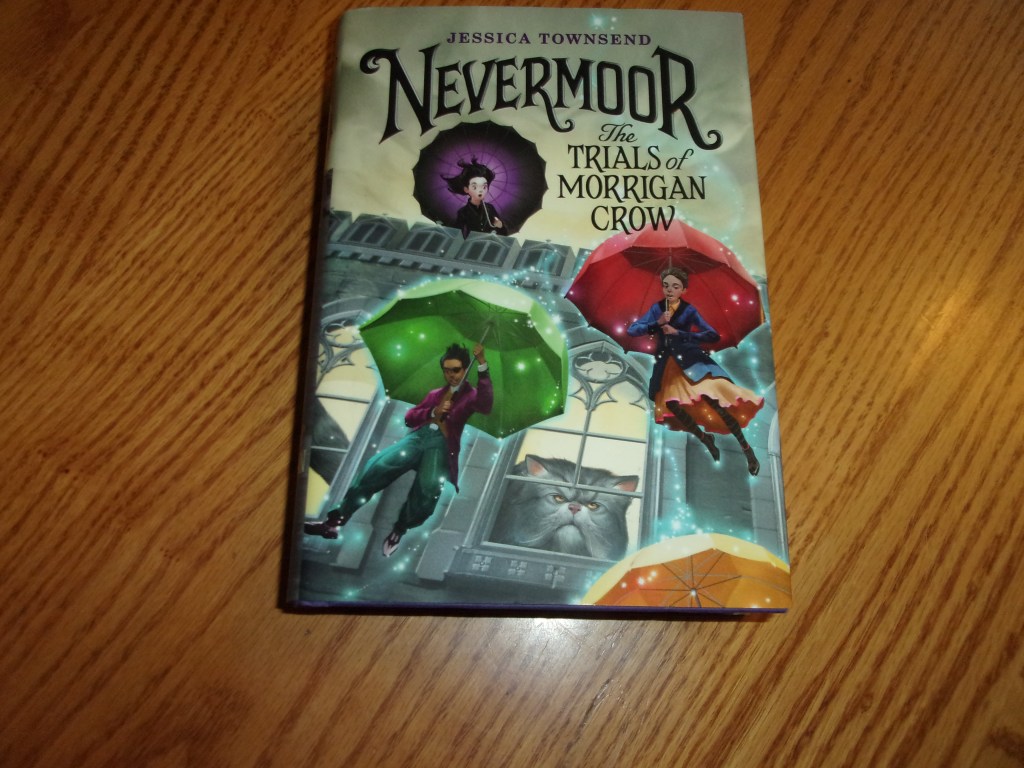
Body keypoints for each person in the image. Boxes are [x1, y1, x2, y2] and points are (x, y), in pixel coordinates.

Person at [304, 342, 493, 556]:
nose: (451, 375)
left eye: (456, 370)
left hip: (441, 444)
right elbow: (410, 418)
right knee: (377, 466)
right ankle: (334, 521)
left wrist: (482, 364)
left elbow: (486, 404)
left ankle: (400, 529)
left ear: (465, 369)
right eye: (447, 370)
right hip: (418, 438)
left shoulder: (471, 396)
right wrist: (433, 411)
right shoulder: (435, 394)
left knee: (429, 488)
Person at [627, 268, 763, 475]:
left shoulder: (689, 311)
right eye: (666, 285)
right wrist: (657, 323)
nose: (670, 290)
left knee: (716, 403)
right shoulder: (657, 309)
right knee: (674, 406)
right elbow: (633, 330)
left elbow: (712, 335)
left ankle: (747, 450)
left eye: (675, 286)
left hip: (692, 361)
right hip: (668, 366)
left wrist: (679, 332)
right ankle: (705, 439)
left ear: (683, 290)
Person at [442, 158, 509, 237]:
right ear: (466, 189)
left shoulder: (490, 208)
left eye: (484, 187)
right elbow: (457, 234)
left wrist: (500, 226)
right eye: (475, 187)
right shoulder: (463, 212)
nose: (480, 190)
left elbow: (504, 234)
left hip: (489, 242)